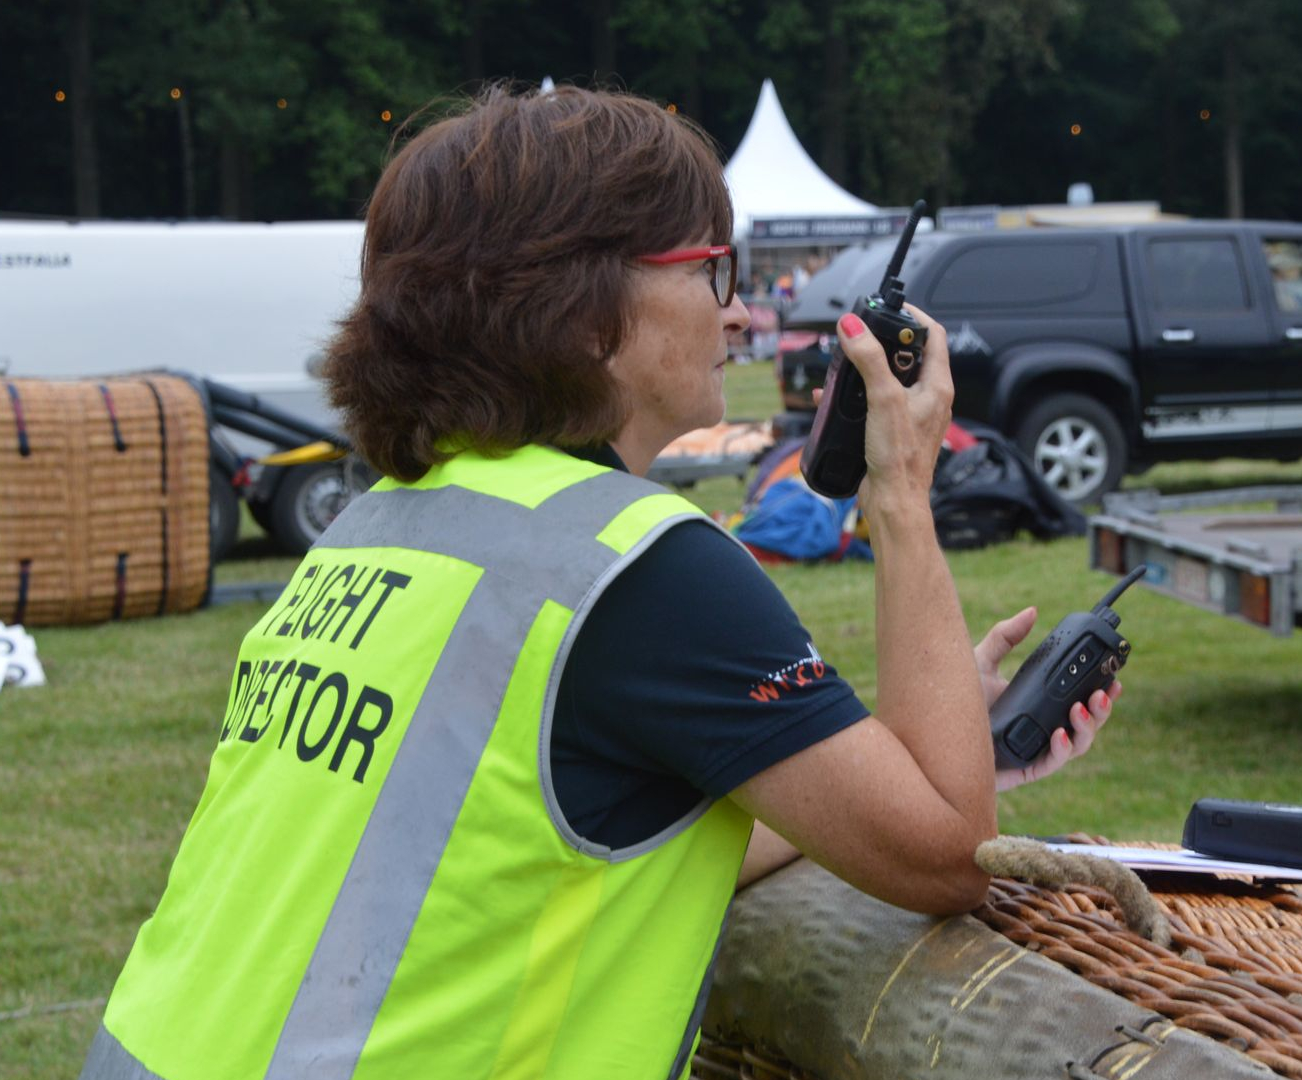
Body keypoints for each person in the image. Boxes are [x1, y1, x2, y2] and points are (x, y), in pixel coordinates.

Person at [78, 85, 1120, 1080]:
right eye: (714, 269)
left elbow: (578, 838)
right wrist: (898, 488)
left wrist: (890, 768)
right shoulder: (637, 565)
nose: (743, 316)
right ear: (583, 318)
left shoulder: (384, 527)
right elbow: (950, 856)